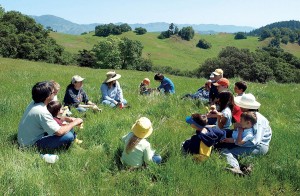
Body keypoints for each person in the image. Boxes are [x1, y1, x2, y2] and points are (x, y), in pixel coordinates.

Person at [18, 81, 83, 149]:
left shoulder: (34, 103)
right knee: (68, 136)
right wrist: (75, 122)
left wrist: (67, 119)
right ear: (47, 97)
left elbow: (52, 118)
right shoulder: (42, 112)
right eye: (53, 92)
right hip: (30, 144)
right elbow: (60, 132)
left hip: (25, 139)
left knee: (65, 127)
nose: (54, 94)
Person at [221, 93, 272, 175]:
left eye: (241, 105)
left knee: (226, 151)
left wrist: (235, 142)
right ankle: (246, 165)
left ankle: (234, 167)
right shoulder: (251, 117)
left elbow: (255, 141)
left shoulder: (259, 120)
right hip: (250, 143)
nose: (240, 107)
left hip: (258, 146)